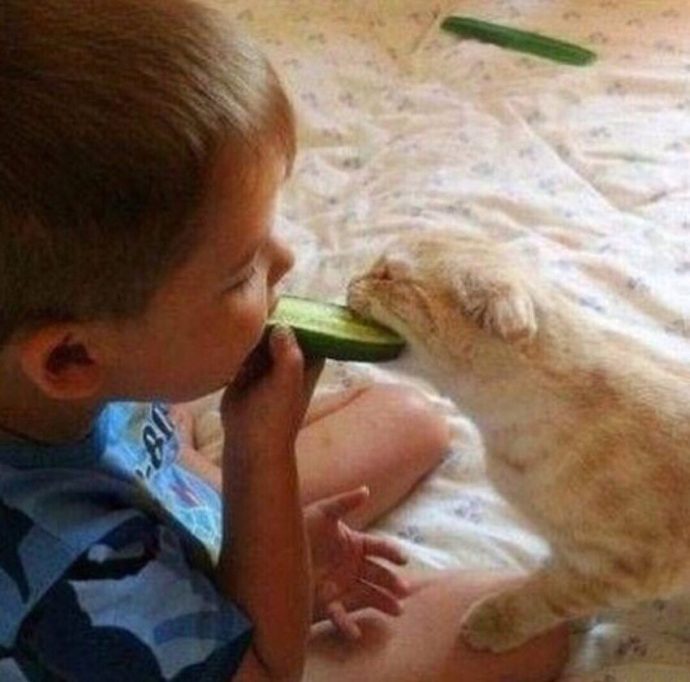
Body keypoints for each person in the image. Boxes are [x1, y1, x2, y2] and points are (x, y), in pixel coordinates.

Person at [0, 1, 569, 680]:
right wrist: (260, 461)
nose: (288, 260)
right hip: (162, 633)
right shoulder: (78, 576)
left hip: (161, 505)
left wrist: (252, 529)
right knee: (525, 626)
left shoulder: (46, 368)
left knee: (411, 419)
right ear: (72, 359)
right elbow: (275, 670)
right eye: (242, 270)